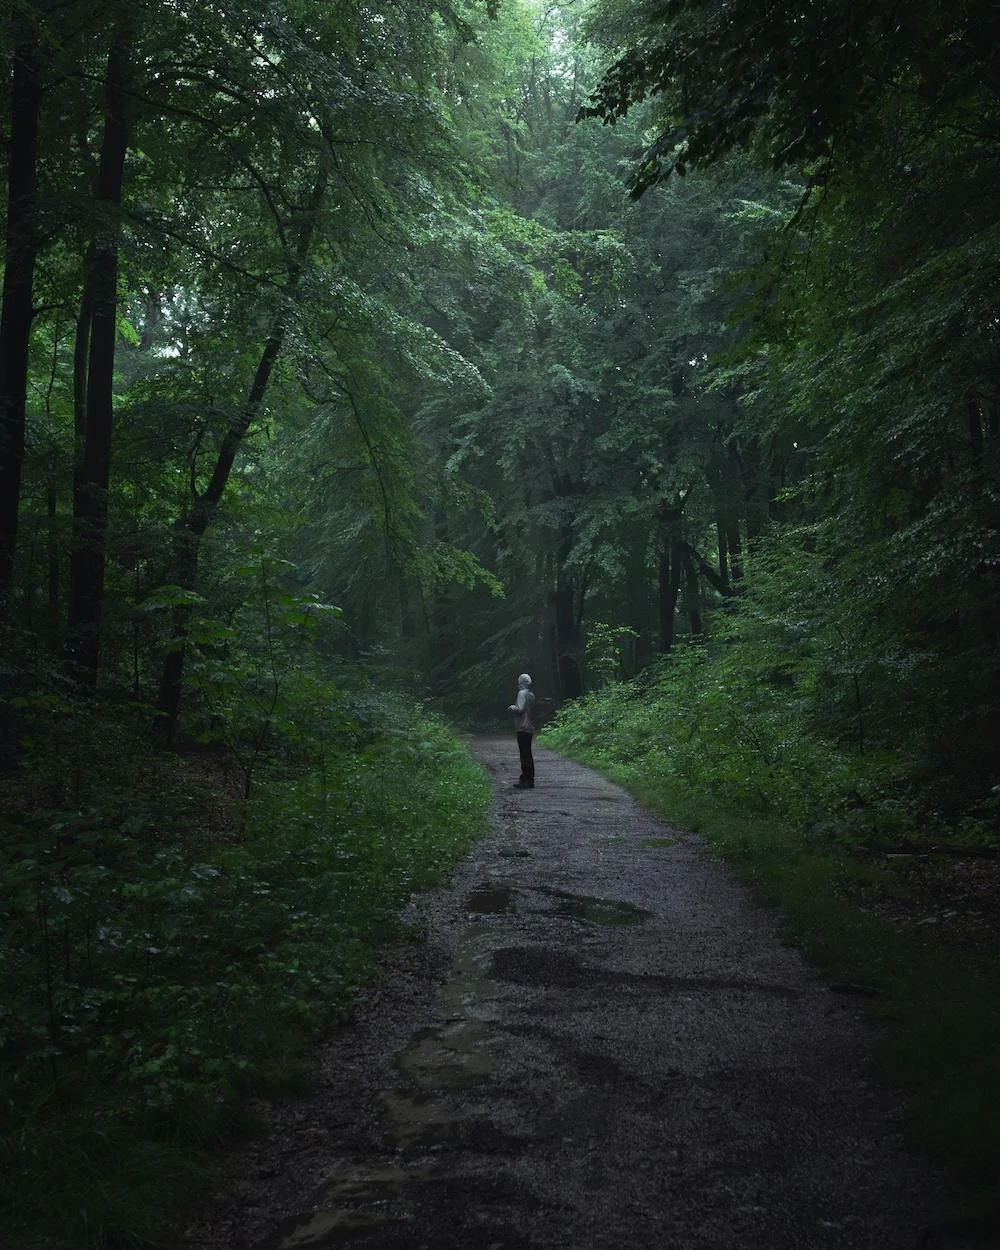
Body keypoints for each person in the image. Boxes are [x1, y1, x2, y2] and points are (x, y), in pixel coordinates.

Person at [508, 672, 536, 789]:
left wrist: (512, 708)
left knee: (524, 754)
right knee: (528, 753)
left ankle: (525, 779)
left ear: (521, 682)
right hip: (530, 727)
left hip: (522, 727)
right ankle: (530, 779)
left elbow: (520, 710)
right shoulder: (531, 694)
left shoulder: (521, 693)